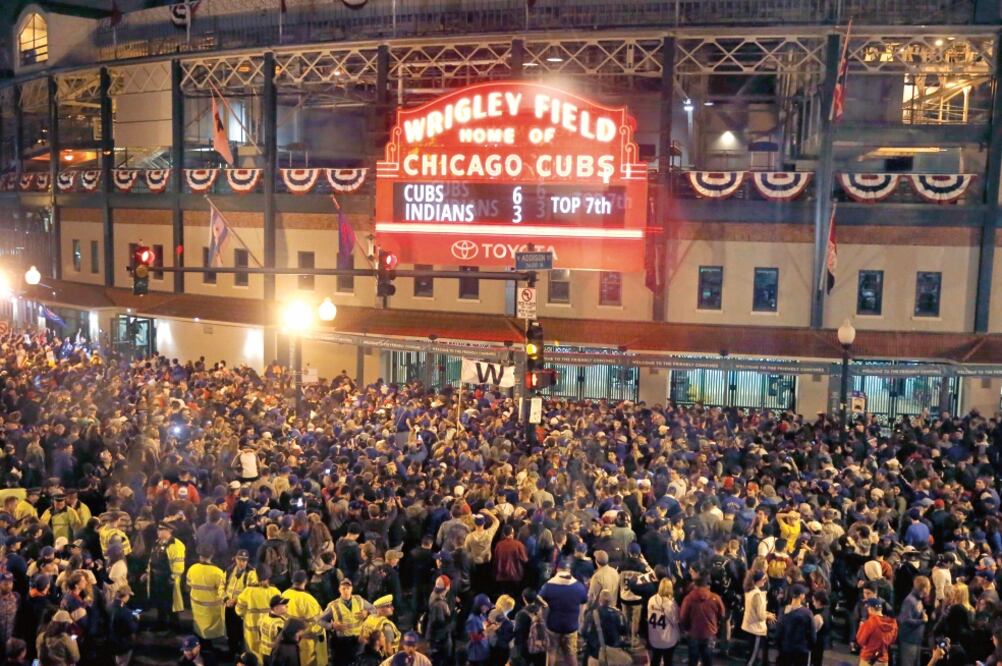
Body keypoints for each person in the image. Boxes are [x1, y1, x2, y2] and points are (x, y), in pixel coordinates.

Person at [539, 559, 588, 666]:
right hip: (571, 626)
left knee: (551, 652)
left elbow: (539, 601)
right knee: (571, 654)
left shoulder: (548, 586)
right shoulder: (579, 587)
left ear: (557, 569)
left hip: (553, 625)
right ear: (569, 570)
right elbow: (584, 603)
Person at [320, 578, 372, 666]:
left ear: (352, 589)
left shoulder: (359, 600)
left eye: (348, 588)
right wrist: (332, 626)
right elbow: (320, 621)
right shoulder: (333, 605)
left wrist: (367, 612)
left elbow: (374, 609)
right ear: (339, 590)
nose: (346, 591)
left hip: (358, 640)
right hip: (342, 642)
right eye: (343, 588)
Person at [235, 565, 280, 662]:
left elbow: (239, 610)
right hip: (268, 630)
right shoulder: (275, 592)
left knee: (253, 653)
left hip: (251, 630)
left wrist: (244, 615)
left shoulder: (248, 591)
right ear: (268, 577)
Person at [679, 573, 725, 666]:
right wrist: (715, 625)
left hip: (693, 634)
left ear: (695, 584)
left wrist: (686, 629)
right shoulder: (715, 598)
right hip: (709, 634)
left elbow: (683, 617)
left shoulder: (688, 598)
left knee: (693, 660)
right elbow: (722, 615)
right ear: (708, 584)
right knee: (707, 660)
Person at [146, 522, 186, 630]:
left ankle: (175, 626)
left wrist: (173, 577)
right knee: (160, 603)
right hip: (156, 577)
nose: (158, 531)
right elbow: (152, 559)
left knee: (170, 604)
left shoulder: (176, 544)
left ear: (170, 530)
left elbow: (178, 564)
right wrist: (148, 572)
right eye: (158, 529)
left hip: (167, 579)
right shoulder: (157, 542)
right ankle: (161, 623)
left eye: (162, 529)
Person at [283, 570, 327, 666]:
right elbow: (319, 623)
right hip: (306, 642)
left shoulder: (284, 595)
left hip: (288, 640)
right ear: (305, 581)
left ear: (292, 580)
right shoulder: (309, 600)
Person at [187, 543, 227, 645]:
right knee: (210, 631)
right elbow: (222, 590)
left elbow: (188, 585)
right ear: (211, 556)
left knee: (199, 628)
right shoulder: (217, 572)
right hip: (212, 608)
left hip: (196, 605)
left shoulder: (192, 568)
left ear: (199, 555)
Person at [225, 550, 258, 656]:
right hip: (229, 606)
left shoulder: (252, 573)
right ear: (235, 559)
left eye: (244, 560)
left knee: (241, 632)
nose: (241, 562)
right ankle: (232, 652)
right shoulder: (230, 570)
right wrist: (226, 599)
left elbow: (250, 591)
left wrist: (236, 600)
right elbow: (222, 586)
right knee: (230, 631)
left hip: (242, 608)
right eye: (239, 559)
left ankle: (242, 655)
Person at [584, 589, 627, 666]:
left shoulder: (591, 614)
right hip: (614, 655)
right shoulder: (619, 614)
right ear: (611, 601)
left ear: (600, 600)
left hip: (595, 654)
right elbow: (624, 632)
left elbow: (585, 632)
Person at [775, 584, 814, 666]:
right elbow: (812, 635)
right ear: (801, 596)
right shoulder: (807, 613)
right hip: (801, 650)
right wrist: (809, 647)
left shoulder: (783, 611)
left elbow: (778, 632)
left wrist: (779, 646)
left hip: (785, 648)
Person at [647, 577, 681, 666]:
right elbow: (675, 621)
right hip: (667, 639)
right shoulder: (671, 604)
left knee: (655, 660)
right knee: (668, 661)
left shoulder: (651, 599)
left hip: (654, 637)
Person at [898, 576, 931, 666]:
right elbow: (904, 620)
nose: (929, 590)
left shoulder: (918, 600)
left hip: (915, 640)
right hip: (908, 641)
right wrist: (921, 621)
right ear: (924, 589)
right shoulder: (909, 601)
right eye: (928, 587)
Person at [856, 598, 898, 666]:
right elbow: (892, 641)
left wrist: (861, 627)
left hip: (868, 658)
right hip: (883, 660)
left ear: (871, 609)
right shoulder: (893, 623)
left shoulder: (870, 622)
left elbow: (860, 641)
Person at [511, 588, 547, 666]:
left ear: (524, 598)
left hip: (526, 648)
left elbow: (518, 634)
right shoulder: (543, 611)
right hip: (541, 647)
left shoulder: (521, 614)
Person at [425, 575, 454, 666]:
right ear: (447, 587)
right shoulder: (440, 604)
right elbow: (440, 624)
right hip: (440, 639)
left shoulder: (434, 595)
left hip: (435, 637)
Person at [108, 587, 140, 666]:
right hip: (123, 644)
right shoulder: (125, 611)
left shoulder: (109, 606)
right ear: (125, 596)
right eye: (129, 595)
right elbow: (132, 628)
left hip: (111, 641)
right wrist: (136, 620)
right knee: (122, 663)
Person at [258, 595, 290, 664]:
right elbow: (283, 642)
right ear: (276, 608)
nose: (286, 606)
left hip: (264, 652)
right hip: (275, 655)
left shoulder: (264, 617)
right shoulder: (279, 624)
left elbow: (260, 632)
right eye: (283, 604)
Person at [465, 593, 494, 666]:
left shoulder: (482, 615)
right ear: (479, 606)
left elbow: (483, 625)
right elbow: (473, 638)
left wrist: (490, 624)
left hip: (483, 652)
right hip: (476, 656)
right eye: (485, 606)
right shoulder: (472, 619)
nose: (488, 608)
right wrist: (487, 631)